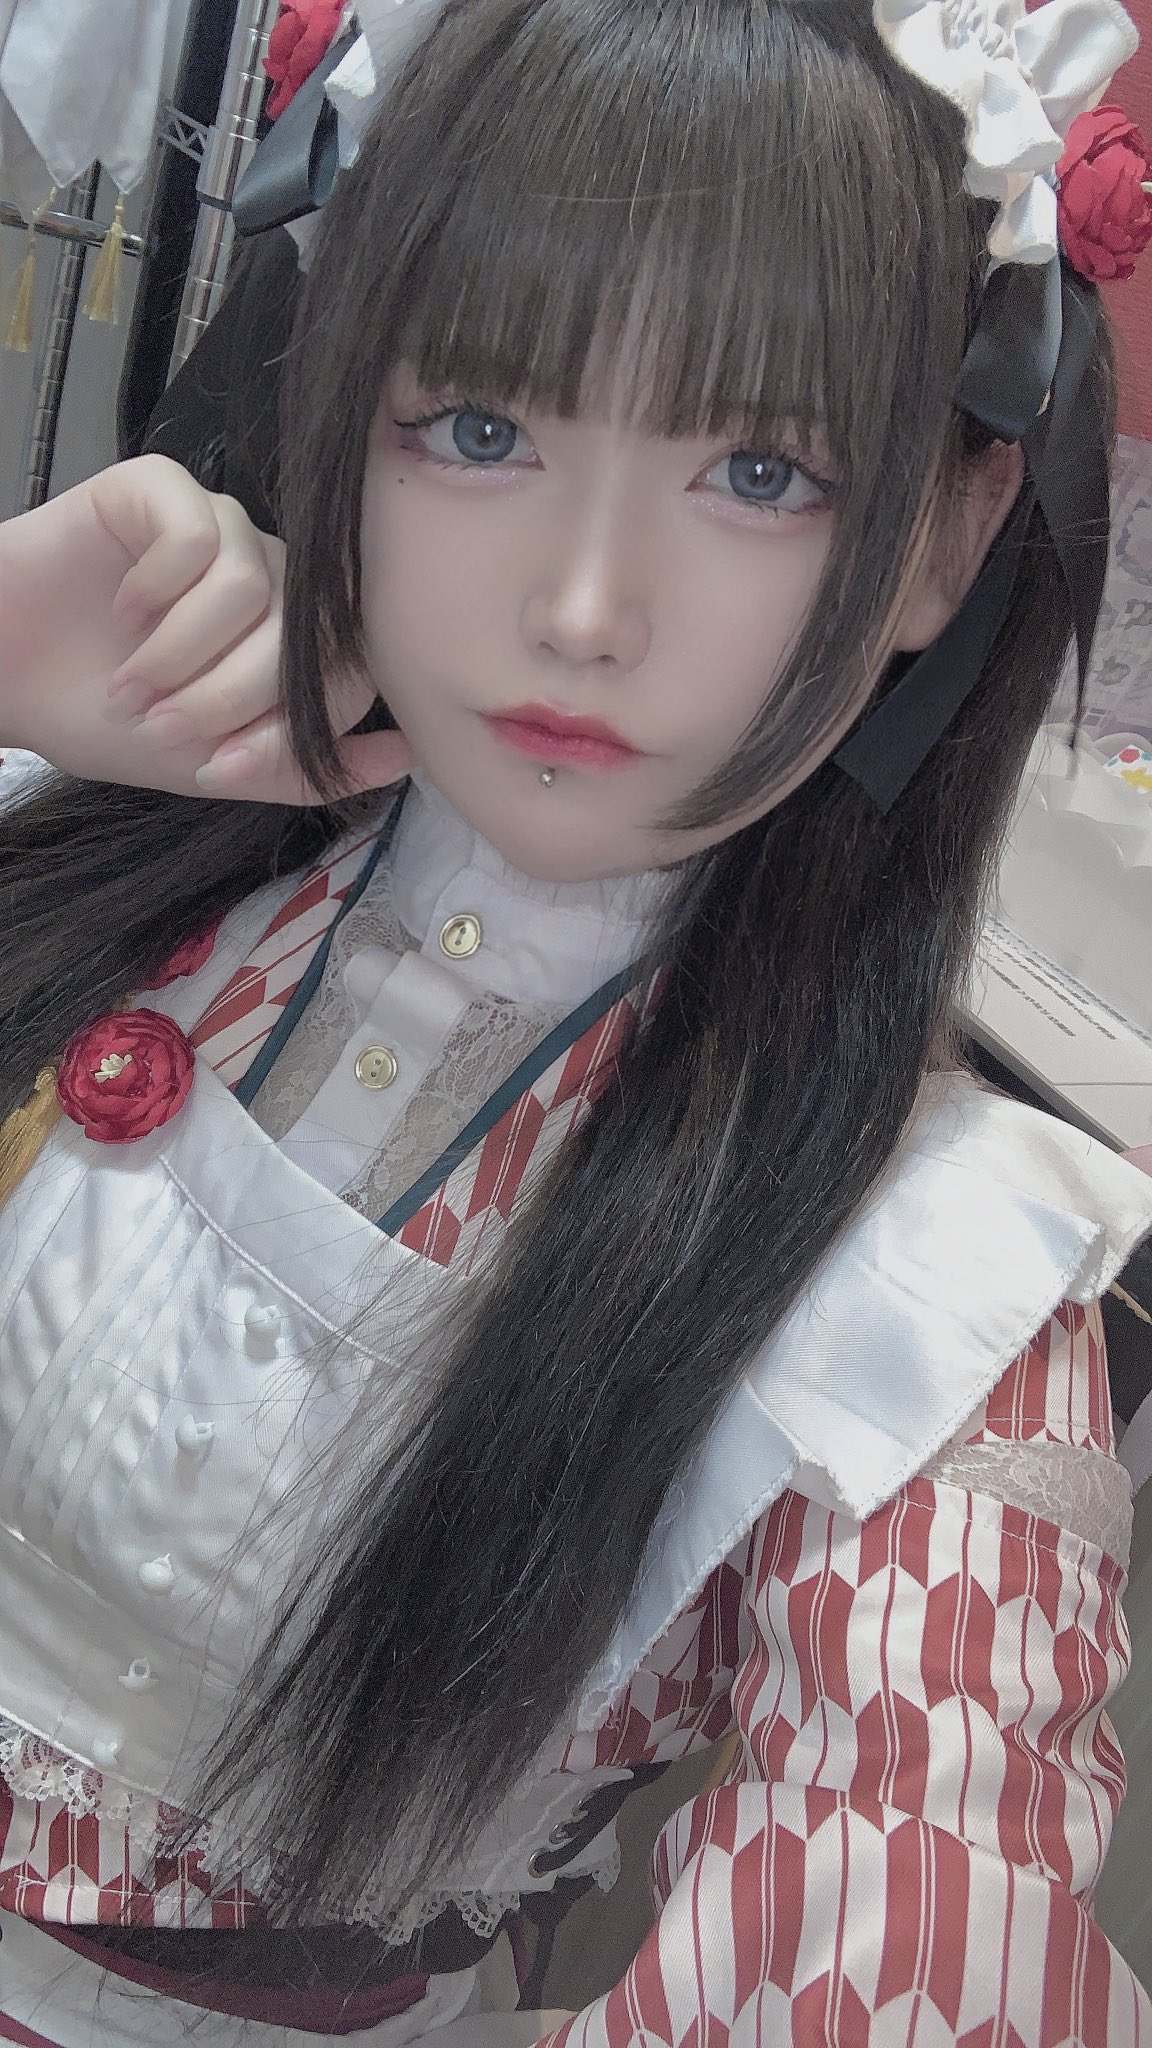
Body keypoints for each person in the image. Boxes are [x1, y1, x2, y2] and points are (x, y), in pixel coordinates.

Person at [2, 0, 1152, 2039]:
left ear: (947, 536)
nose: (583, 607)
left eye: (760, 469)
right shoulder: (100, 841)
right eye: (478, 427)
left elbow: (910, 1879)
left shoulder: (920, 1282)